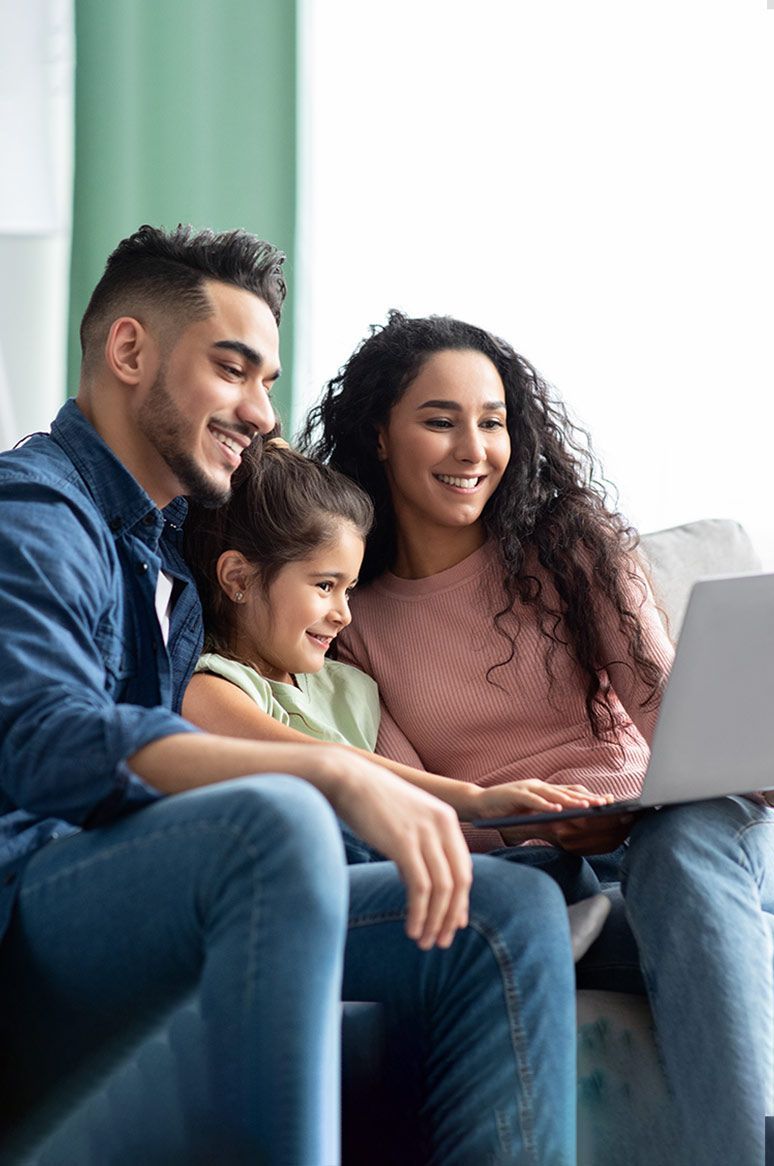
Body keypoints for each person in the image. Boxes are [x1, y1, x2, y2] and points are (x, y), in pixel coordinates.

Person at [0, 228, 581, 1165]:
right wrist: (324, 774)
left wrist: (467, 818)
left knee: (499, 912)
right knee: (275, 819)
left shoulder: (168, 549)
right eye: (234, 370)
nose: (262, 411)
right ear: (129, 350)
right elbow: (41, 738)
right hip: (31, 901)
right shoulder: (34, 512)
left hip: (141, 882)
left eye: (268, 381)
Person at [301, 309, 774, 1166]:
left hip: (671, 829)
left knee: (681, 838)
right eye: (439, 421)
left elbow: (670, 708)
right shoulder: (350, 612)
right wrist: (537, 824)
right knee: (558, 897)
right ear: (377, 433)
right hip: (540, 861)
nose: (473, 449)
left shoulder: (570, 544)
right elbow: (412, 798)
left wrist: (748, 758)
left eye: (492, 422)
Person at [182, 436, 612, 959]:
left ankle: (539, 938)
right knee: (339, 829)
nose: (343, 613)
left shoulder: (348, 686)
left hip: (386, 864)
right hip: (319, 876)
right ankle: (533, 936)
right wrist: (477, 799)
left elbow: (404, 797)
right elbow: (328, 762)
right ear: (238, 578)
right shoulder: (209, 688)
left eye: (350, 589)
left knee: (553, 869)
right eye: (324, 586)